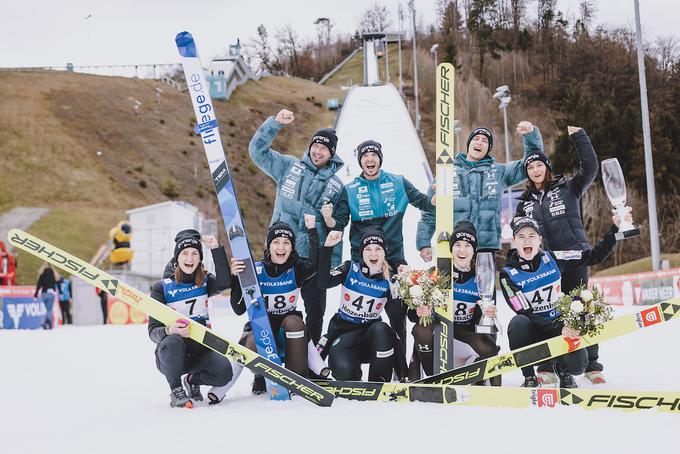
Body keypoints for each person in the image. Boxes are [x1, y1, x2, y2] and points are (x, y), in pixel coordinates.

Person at [515, 125, 604, 384]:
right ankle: (549, 365)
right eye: (530, 168)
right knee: (547, 312)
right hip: (545, 266)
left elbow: (591, 168)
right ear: (528, 173)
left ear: (547, 166)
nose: (535, 170)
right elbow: (519, 233)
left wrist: (579, 137)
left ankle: (592, 363)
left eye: (539, 165)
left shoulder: (568, 188)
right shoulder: (525, 203)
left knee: (581, 306)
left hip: (574, 259)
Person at [249, 108, 345, 345]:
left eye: (324, 148)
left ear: (331, 153)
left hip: (311, 259)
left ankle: (310, 364)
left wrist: (330, 265)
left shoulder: (337, 186)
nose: (318, 151)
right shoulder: (288, 166)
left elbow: (339, 227)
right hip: (280, 253)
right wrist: (275, 123)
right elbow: (257, 152)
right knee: (272, 309)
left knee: (315, 313)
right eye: (316, 146)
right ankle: (269, 357)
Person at [330, 139, 435, 350]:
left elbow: (423, 202)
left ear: (380, 158)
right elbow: (339, 223)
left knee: (398, 317)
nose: (370, 159)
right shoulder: (350, 190)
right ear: (360, 161)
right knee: (358, 318)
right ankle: (353, 359)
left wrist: (435, 197)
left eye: (374, 155)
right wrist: (329, 220)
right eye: (365, 156)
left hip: (394, 263)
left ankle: (401, 371)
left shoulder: (397, 182)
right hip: (363, 266)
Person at [499, 215, 625, 388]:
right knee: (518, 323)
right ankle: (529, 377)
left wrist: (615, 229)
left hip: (560, 328)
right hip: (535, 333)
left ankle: (564, 371)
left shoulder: (554, 258)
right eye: (521, 236)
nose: (526, 240)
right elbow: (523, 311)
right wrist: (560, 328)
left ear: (540, 240)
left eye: (531, 236)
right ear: (514, 241)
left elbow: (593, 256)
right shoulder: (508, 274)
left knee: (579, 365)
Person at [229, 216, 328, 395]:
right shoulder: (255, 270)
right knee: (250, 341)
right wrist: (236, 279)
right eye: (276, 242)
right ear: (268, 246)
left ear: (292, 247)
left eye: (286, 243)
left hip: (288, 335)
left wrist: (312, 230)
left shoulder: (297, 268)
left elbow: (314, 263)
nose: (281, 247)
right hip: (261, 332)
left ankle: (297, 377)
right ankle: (261, 376)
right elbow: (238, 309)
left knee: (295, 322)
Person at [416, 123, 535, 260]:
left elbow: (529, 165)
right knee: (455, 282)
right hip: (456, 245)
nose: (479, 142)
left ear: (488, 149)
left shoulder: (498, 171)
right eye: (476, 138)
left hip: (485, 247)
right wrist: (423, 243)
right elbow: (430, 210)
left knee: (485, 281)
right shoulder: (447, 172)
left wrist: (530, 137)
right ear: (469, 144)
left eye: (485, 141)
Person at [148, 231, 235, 408]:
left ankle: (192, 379)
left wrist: (216, 249)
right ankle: (176, 389)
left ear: (200, 258)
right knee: (172, 341)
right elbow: (153, 332)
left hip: (200, 351)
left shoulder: (205, 280)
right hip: (171, 353)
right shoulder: (162, 288)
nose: (190, 258)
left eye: (195, 253)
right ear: (177, 259)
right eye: (185, 253)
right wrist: (169, 330)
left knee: (225, 372)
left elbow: (225, 283)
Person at [408, 221, 501, 385]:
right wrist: (419, 310)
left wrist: (488, 315)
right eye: (457, 244)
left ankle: (482, 377)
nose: (462, 250)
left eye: (467, 245)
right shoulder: (436, 273)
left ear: (474, 251)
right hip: (438, 331)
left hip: (465, 332)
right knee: (421, 329)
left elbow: (484, 324)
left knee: (490, 348)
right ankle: (427, 373)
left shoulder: (481, 279)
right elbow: (412, 313)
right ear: (451, 249)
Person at [317, 228, 408, 382]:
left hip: (371, 337)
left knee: (383, 329)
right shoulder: (349, 269)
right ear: (362, 252)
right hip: (343, 333)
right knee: (345, 374)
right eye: (368, 249)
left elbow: (398, 318)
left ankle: (378, 381)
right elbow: (322, 282)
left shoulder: (390, 279)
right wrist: (328, 248)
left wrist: (405, 285)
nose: (373, 254)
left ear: (385, 252)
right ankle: (351, 374)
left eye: (378, 249)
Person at [34, 262, 58, 329]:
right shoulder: (53, 273)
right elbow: (58, 282)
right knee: (49, 309)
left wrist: (35, 294)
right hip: (51, 294)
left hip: (44, 294)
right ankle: (48, 323)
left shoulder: (42, 274)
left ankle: (46, 322)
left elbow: (39, 285)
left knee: (47, 309)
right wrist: (60, 292)